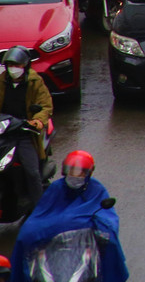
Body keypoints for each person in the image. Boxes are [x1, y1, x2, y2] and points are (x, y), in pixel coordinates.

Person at [10, 149, 129, 282]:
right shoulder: (56, 188)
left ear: (88, 173)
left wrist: (101, 229)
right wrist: (33, 231)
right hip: (54, 246)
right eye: (71, 171)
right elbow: (41, 215)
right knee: (24, 237)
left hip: (85, 243)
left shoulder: (96, 189)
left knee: (111, 244)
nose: (75, 176)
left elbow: (107, 217)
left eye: (79, 172)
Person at [0, 47, 51, 216]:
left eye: (17, 64)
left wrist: (37, 121)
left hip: (24, 132)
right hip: (4, 131)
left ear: (25, 65)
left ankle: (40, 211)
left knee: (32, 171)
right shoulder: (1, 82)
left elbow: (45, 106)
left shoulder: (36, 83)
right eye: (10, 65)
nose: (13, 68)